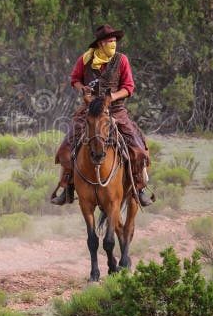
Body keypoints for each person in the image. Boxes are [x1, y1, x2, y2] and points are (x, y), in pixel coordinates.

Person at [50, 24, 153, 207]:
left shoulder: (122, 60)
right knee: (66, 147)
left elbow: (128, 87)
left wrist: (113, 96)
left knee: (138, 148)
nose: (113, 44)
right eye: (109, 41)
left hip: (116, 110)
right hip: (90, 110)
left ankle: (139, 187)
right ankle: (67, 187)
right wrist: (83, 90)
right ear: (100, 43)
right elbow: (75, 80)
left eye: (114, 41)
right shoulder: (85, 60)